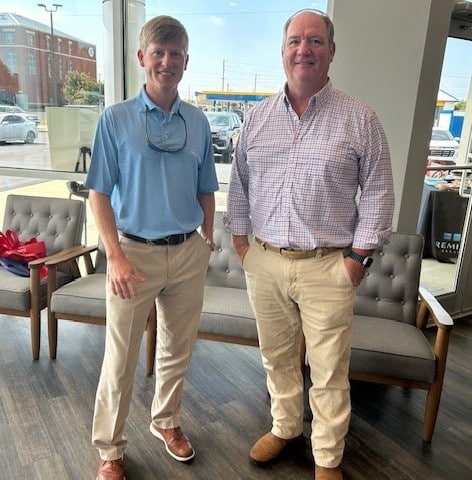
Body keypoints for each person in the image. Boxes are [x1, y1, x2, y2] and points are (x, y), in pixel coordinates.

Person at [225, 9, 394, 480]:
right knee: (277, 358)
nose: (304, 49)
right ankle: (285, 428)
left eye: (315, 41)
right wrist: (242, 246)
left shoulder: (360, 119)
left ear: (331, 52)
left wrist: (357, 260)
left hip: (328, 266)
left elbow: (379, 193)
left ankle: (327, 458)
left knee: (329, 370)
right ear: (283, 51)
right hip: (265, 261)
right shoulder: (256, 118)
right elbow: (239, 186)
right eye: (295, 41)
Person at [86, 15, 218, 480]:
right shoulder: (115, 120)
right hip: (133, 256)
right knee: (120, 359)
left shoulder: (198, 122)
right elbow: (98, 193)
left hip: (187, 254)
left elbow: (206, 187)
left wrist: (207, 238)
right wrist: (115, 256)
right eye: (158, 53)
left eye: (175, 53)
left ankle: (166, 421)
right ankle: (110, 449)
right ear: (142, 57)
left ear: (185, 61)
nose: (167, 61)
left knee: (177, 349)